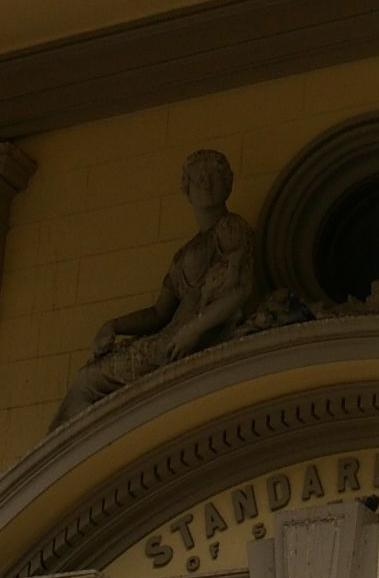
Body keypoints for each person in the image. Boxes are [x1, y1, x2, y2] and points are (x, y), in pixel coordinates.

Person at [53, 149, 264, 421]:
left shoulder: (231, 228)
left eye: (214, 176)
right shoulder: (184, 254)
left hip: (186, 343)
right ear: (186, 190)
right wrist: (114, 326)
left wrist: (193, 332)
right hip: (167, 342)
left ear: (228, 183)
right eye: (199, 179)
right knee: (87, 380)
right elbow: (158, 314)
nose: (207, 184)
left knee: (88, 381)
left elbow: (240, 291)